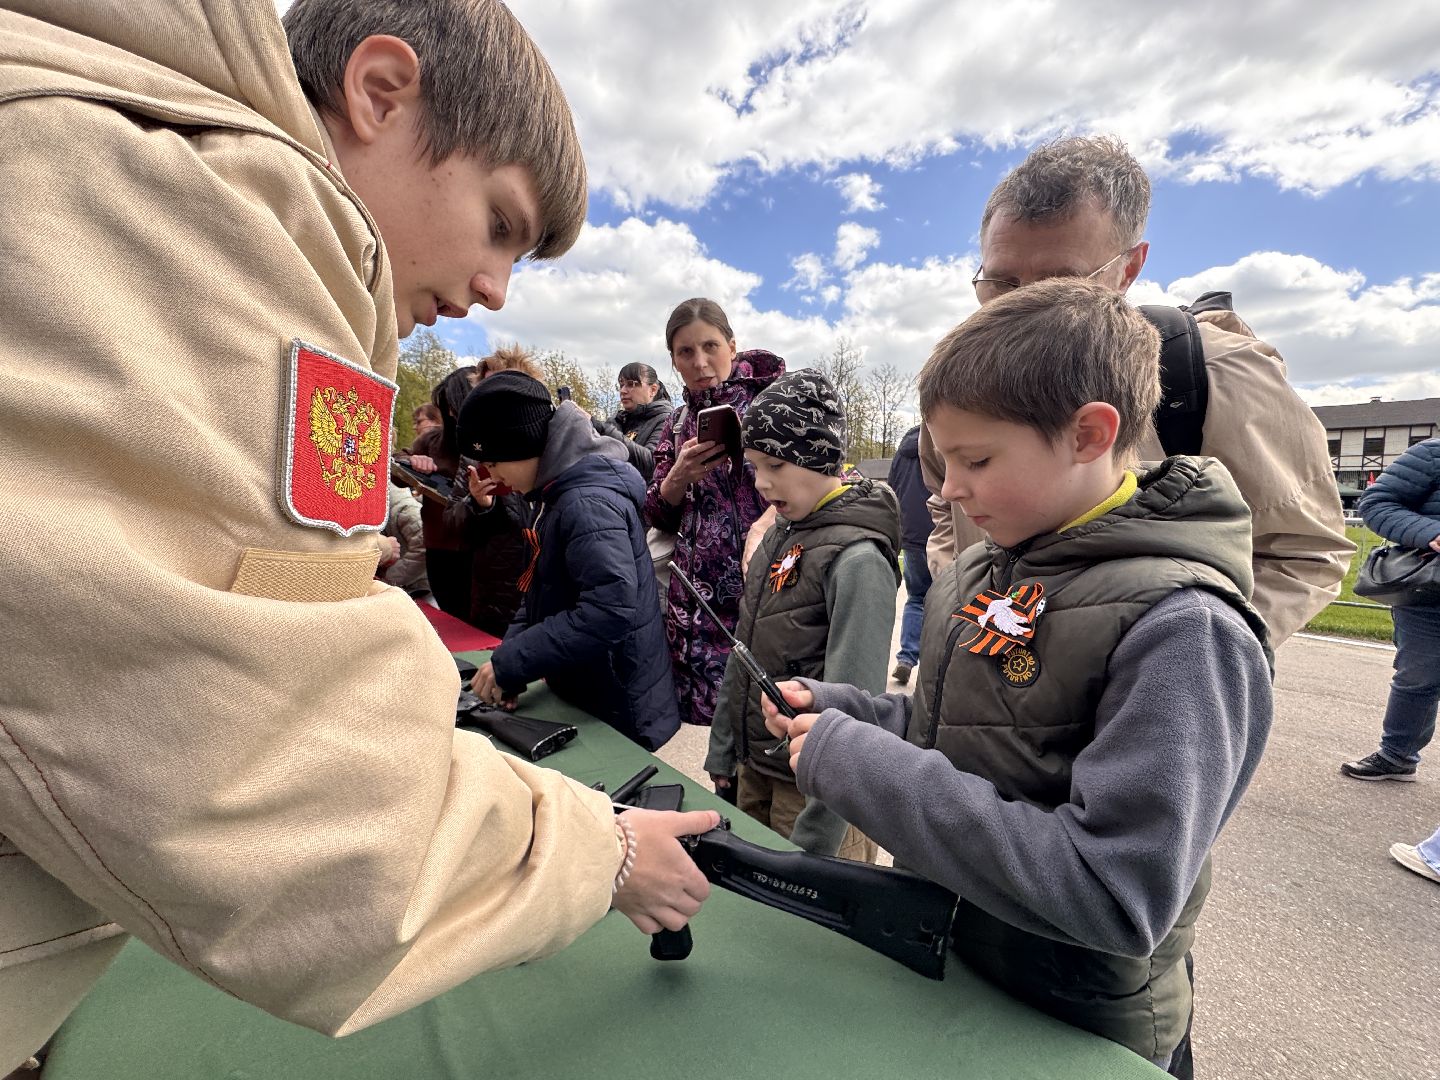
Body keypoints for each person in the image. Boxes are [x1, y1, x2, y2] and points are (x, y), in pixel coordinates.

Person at [0, 1, 718, 1070]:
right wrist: (592, 857)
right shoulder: (188, 214)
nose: (493, 288)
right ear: (381, 94)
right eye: (500, 223)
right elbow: (248, 769)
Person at [764, 281, 1273, 1076]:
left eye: (975, 459)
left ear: (1088, 434)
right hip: (960, 965)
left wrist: (857, 765)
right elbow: (957, 735)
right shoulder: (986, 569)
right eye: (941, 459)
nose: (946, 489)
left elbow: (1116, 892)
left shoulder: (1184, 628)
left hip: (1077, 1028)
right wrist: (843, 713)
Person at [918, 135, 1350, 647]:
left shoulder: (1218, 374)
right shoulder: (961, 387)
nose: (1028, 304)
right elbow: (944, 506)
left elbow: (1305, 551)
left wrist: (1165, 660)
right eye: (1003, 282)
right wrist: (959, 599)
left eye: (1062, 280)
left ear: (1130, 266)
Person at [703, 371, 899, 859]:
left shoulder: (857, 560)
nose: (763, 483)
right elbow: (743, 648)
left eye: (776, 464)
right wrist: (725, 748)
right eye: (753, 467)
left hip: (814, 797)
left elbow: (857, 712)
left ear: (821, 457)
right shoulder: (777, 535)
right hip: (757, 772)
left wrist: (820, 832)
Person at [461, 372, 680, 751]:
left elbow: (610, 609)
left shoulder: (585, 503)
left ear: (525, 446)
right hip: (589, 686)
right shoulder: (554, 493)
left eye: (494, 462)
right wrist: (509, 665)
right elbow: (542, 593)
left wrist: (513, 660)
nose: (490, 474)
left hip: (616, 701)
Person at [644, 298, 785, 728]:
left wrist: (767, 521)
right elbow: (657, 512)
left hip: (767, 587)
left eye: (711, 346)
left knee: (768, 720)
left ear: (732, 345)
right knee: (719, 733)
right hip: (696, 606)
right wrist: (677, 478)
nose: (701, 361)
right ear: (673, 360)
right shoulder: (677, 421)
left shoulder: (774, 403)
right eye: (686, 352)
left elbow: (824, 482)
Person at [1340, 436, 1440, 781]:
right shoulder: (1431, 454)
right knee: (1418, 676)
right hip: (1430, 590)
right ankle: (1397, 755)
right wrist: (1432, 532)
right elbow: (1377, 503)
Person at [887, 424, 933, 685]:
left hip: (910, 535)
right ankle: (935, 665)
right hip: (940, 533)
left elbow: (892, 488)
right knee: (946, 600)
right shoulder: (939, 443)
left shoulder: (903, 450)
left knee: (916, 598)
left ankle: (906, 658)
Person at [592, 362, 675, 481]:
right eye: (621, 385)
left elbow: (652, 464)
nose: (623, 391)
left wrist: (604, 430)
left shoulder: (667, 419)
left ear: (653, 390)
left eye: (631, 384)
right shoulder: (618, 421)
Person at [379, 480, 430, 595]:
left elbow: (422, 550)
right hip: (397, 580)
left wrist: (388, 579)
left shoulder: (407, 511)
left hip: (418, 584)